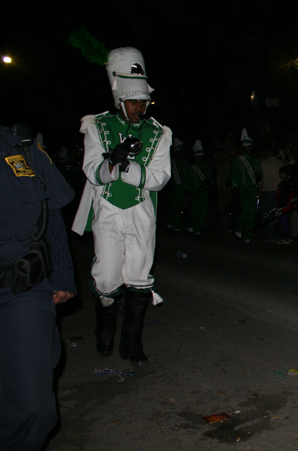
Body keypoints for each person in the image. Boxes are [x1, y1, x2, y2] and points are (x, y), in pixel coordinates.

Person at [72, 46, 172, 367]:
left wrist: (124, 166)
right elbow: (92, 171)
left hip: (141, 208)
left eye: (144, 102)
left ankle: (132, 343)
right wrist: (111, 160)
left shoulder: (159, 134)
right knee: (107, 276)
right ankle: (105, 331)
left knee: (140, 274)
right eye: (133, 102)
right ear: (120, 100)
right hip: (108, 208)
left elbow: (159, 178)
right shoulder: (97, 126)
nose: (140, 108)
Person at [1, 124, 76, 450]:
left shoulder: (22, 148)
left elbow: (50, 212)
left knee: (32, 406)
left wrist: (61, 274)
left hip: (20, 289)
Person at [230, 129, 262, 244]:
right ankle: (239, 227)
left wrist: (258, 178)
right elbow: (234, 175)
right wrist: (235, 190)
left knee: (252, 212)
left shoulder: (256, 159)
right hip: (242, 188)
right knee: (244, 211)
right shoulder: (237, 160)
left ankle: (248, 235)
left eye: (248, 146)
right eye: (244, 147)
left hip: (253, 188)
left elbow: (260, 175)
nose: (246, 148)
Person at [185, 140, 213, 236]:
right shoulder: (191, 168)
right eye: (198, 157)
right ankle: (191, 225)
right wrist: (187, 192)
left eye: (201, 157)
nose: (200, 159)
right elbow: (187, 180)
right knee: (194, 211)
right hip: (194, 192)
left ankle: (197, 229)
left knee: (202, 212)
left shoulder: (206, 168)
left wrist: (208, 181)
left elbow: (211, 178)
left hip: (204, 194)